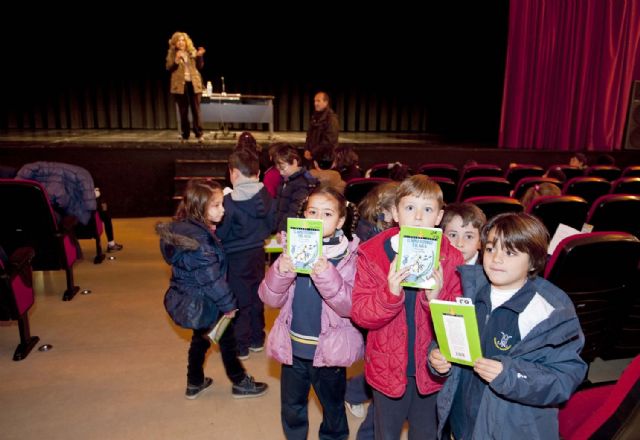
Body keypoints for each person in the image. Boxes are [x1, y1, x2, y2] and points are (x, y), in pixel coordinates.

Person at [429, 212, 587, 439]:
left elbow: (564, 378)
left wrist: (510, 374)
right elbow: (446, 339)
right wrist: (437, 358)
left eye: (510, 252)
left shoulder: (550, 312)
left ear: (533, 260)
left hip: (511, 428)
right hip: (462, 418)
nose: (496, 259)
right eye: (491, 249)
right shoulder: (468, 289)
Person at [351, 175, 464, 439]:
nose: (417, 217)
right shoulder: (373, 253)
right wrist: (389, 294)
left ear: (439, 217)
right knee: (385, 433)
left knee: (425, 433)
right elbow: (360, 314)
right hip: (386, 368)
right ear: (394, 213)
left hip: (431, 371)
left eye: (427, 209)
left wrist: (435, 300)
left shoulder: (451, 257)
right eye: (409, 208)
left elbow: (457, 325)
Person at [258, 185, 364, 440]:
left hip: (330, 353)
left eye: (326, 214)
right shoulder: (291, 250)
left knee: (333, 409)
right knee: (292, 408)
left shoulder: (349, 256)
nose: (317, 218)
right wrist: (282, 269)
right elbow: (269, 298)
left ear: (340, 221)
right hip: (293, 349)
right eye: (312, 211)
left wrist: (325, 272)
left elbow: (350, 306)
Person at [156, 179, 268, 400]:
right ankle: (239, 382)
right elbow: (212, 279)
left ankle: (195, 381)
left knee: (201, 338)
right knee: (227, 341)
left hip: (195, 298)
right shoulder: (200, 241)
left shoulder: (187, 230)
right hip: (208, 300)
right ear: (199, 207)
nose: (223, 209)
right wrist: (228, 306)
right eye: (216, 205)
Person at [346, 180, 399, 440]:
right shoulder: (373, 238)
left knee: (381, 366)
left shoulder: (373, 228)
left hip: (387, 309)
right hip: (377, 310)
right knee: (383, 372)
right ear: (389, 212)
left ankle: (352, 392)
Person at [216, 149, 274, 360]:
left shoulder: (229, 202)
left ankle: (241, 345)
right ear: (257, 174)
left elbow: (221, 233)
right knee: (257, 295)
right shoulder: (266, 196)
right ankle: (257, 339)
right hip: (258, 253)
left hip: (234, 257)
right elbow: (271, 225)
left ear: (234, 174)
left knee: (238, 300)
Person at [166, 31, 206, 143]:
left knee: (196, 110)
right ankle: (185, 134)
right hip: (180, 85)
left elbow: (199, 67)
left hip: (193, 83)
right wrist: (176, 60)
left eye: (183, 40)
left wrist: (200, 56)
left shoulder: (192, 52)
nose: (181, 42)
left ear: (186, 42)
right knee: (183, 111)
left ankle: (199, 134)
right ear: (175, 42)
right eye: (178, 40)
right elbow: (169, 68)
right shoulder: (172, 53)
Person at [272, 143, 318, 235]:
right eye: (278, 170)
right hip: (281, 227)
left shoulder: (303, 183)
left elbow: (294, 210)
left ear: (294, 162)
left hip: (294, 230)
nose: (281, 173)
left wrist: (282, 230)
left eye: (283, 168)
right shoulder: (285, 179)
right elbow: (278, 206)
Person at [304, 92, 340, 163]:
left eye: (318, 101)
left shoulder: (331, 119)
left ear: (326, 102)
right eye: (315, 101)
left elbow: (329, 142)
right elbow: (309, 136)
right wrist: (306, 149)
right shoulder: (315, 116)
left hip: (324, 159)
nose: (315, 103)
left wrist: (312, 152)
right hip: (313, 157)